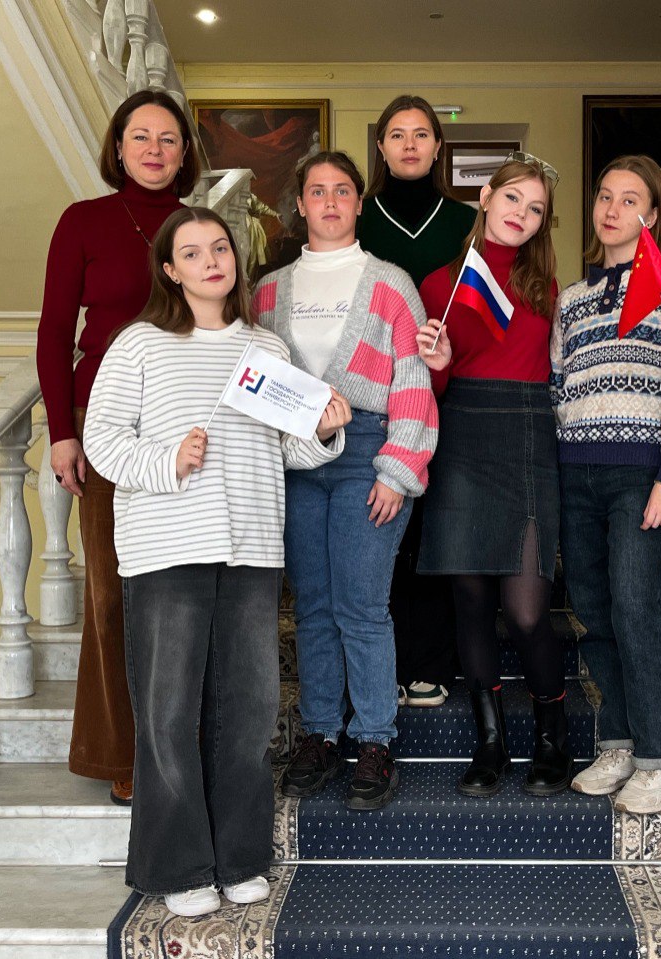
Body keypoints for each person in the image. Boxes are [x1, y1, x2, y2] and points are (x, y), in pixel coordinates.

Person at [82, 207, 350, 917]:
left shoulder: (266, 347)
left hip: (253, 548)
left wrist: (324, 431)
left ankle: (239, 857)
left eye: (221, 248)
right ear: (170, 269)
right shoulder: (139, 344)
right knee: (168, 714)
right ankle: (180, 868)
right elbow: (103, 441)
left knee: (250, 712)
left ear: (236, 260)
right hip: (166, 549)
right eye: (193, 252)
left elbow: (288, 447)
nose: (211, 261)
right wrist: (169, 461)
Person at [254, 151, 437, 811]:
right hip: (296, 457)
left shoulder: (390, 284)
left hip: (367, 450)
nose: (329, 202)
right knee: (312, 606)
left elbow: (412, 381)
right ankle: (320, 733)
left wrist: (398, 470)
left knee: (361, 605)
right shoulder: (267, 292)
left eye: (341, 191)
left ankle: (375, 740)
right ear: (300, 204)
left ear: (359, 203)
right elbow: (257, 384)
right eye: (316, 191)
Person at [36, 89, 200, 806]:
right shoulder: (83, 221)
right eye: (142, 137)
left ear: (185, 153)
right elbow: (53, 332)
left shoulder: (200, 226)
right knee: (110, 589)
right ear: (119, 146)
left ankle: (182, 740)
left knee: (181, 587)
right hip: (102, 420)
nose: (155, 149)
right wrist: (61, 430)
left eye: (169, 138)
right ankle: (123, 752)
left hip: (184, 421)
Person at [552, 155, 661, 814]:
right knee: (593, 611)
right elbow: (558, 386)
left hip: (641, 472)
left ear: (652, 214)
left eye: (629, 199)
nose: (612, 209)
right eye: (604, 197)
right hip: (576, 473)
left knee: (638, 608)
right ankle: (618, 741)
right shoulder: (571, 298)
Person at [415, 154, 568, 797]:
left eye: (535, 209)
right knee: (471, 604)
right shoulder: (439, 285)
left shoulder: (550, 290)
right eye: (512, 199)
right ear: (485, 198)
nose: (520, 215)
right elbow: (428, 391)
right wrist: (440, 364)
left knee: (526, 612)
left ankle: (553, 734)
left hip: (529, 438)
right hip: (462, 437)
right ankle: (490, 743)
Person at [358, 95, 475, 710]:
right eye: (397, 134)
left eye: (421, 134)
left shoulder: (465, 223)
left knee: (432, 531)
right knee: (378, 530)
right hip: (369, 399)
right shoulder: (356, 216)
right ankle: (377, 663)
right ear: (380, 146)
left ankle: (429, 659)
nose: (409, 144)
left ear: (437, 146)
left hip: (444, 393)